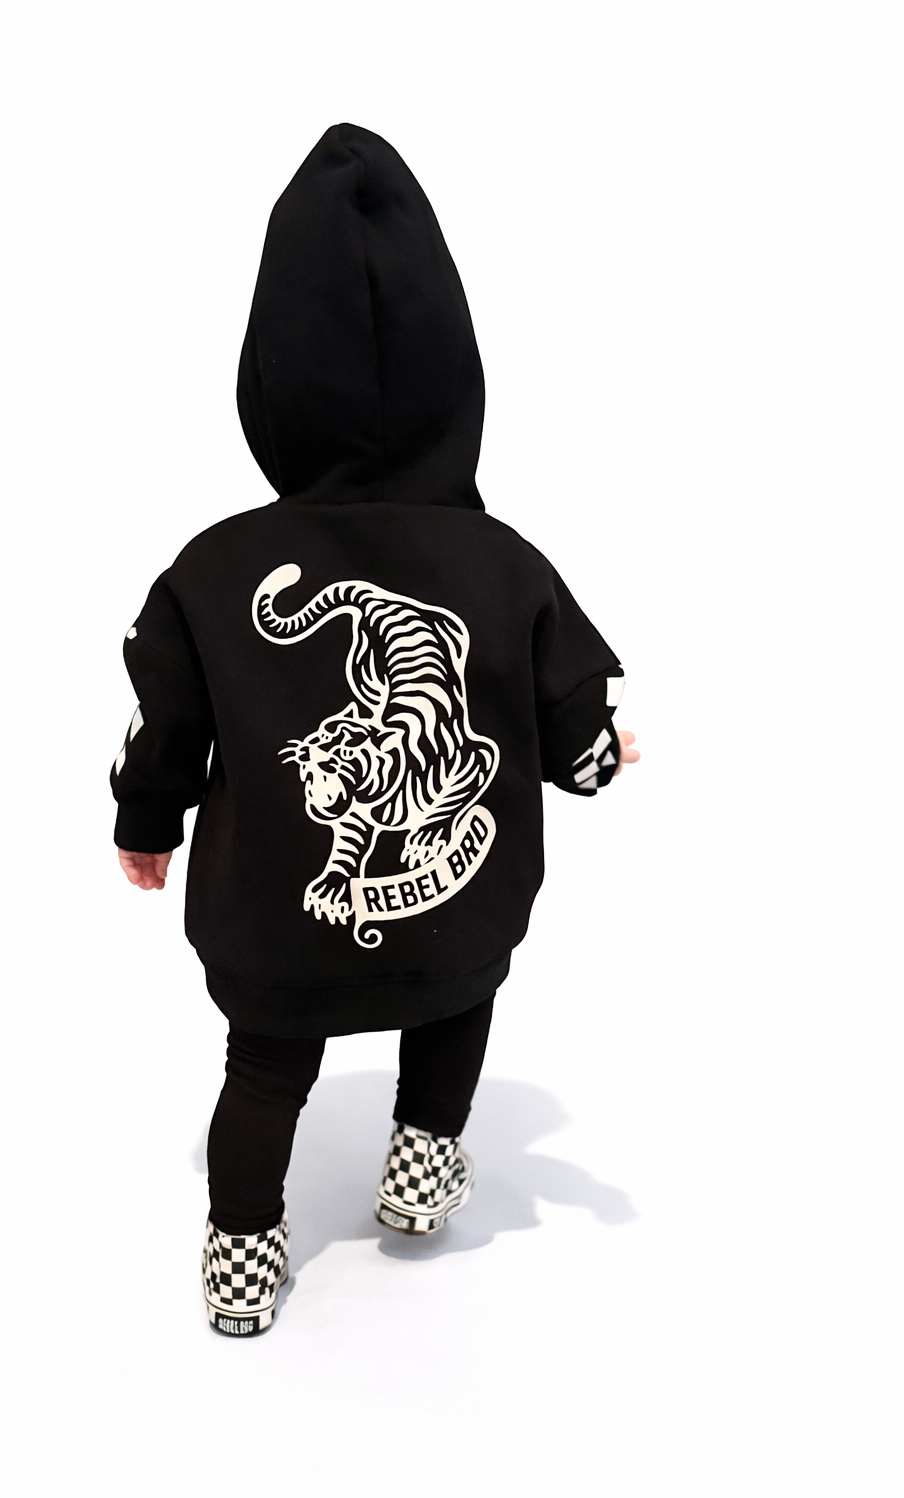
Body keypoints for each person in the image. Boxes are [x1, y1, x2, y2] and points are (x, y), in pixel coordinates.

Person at [111, 124, 640, 1337]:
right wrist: (602, 749)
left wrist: (145, 822)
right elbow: (578, 727)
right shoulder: (503, 561)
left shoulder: (211, 567)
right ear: (458, 377)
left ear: (268, 387)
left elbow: (162, 721)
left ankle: (242, 1247)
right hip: (459, 909)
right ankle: (422, 1168)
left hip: (275, 926)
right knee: (452, 1008)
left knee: (266, 1067)